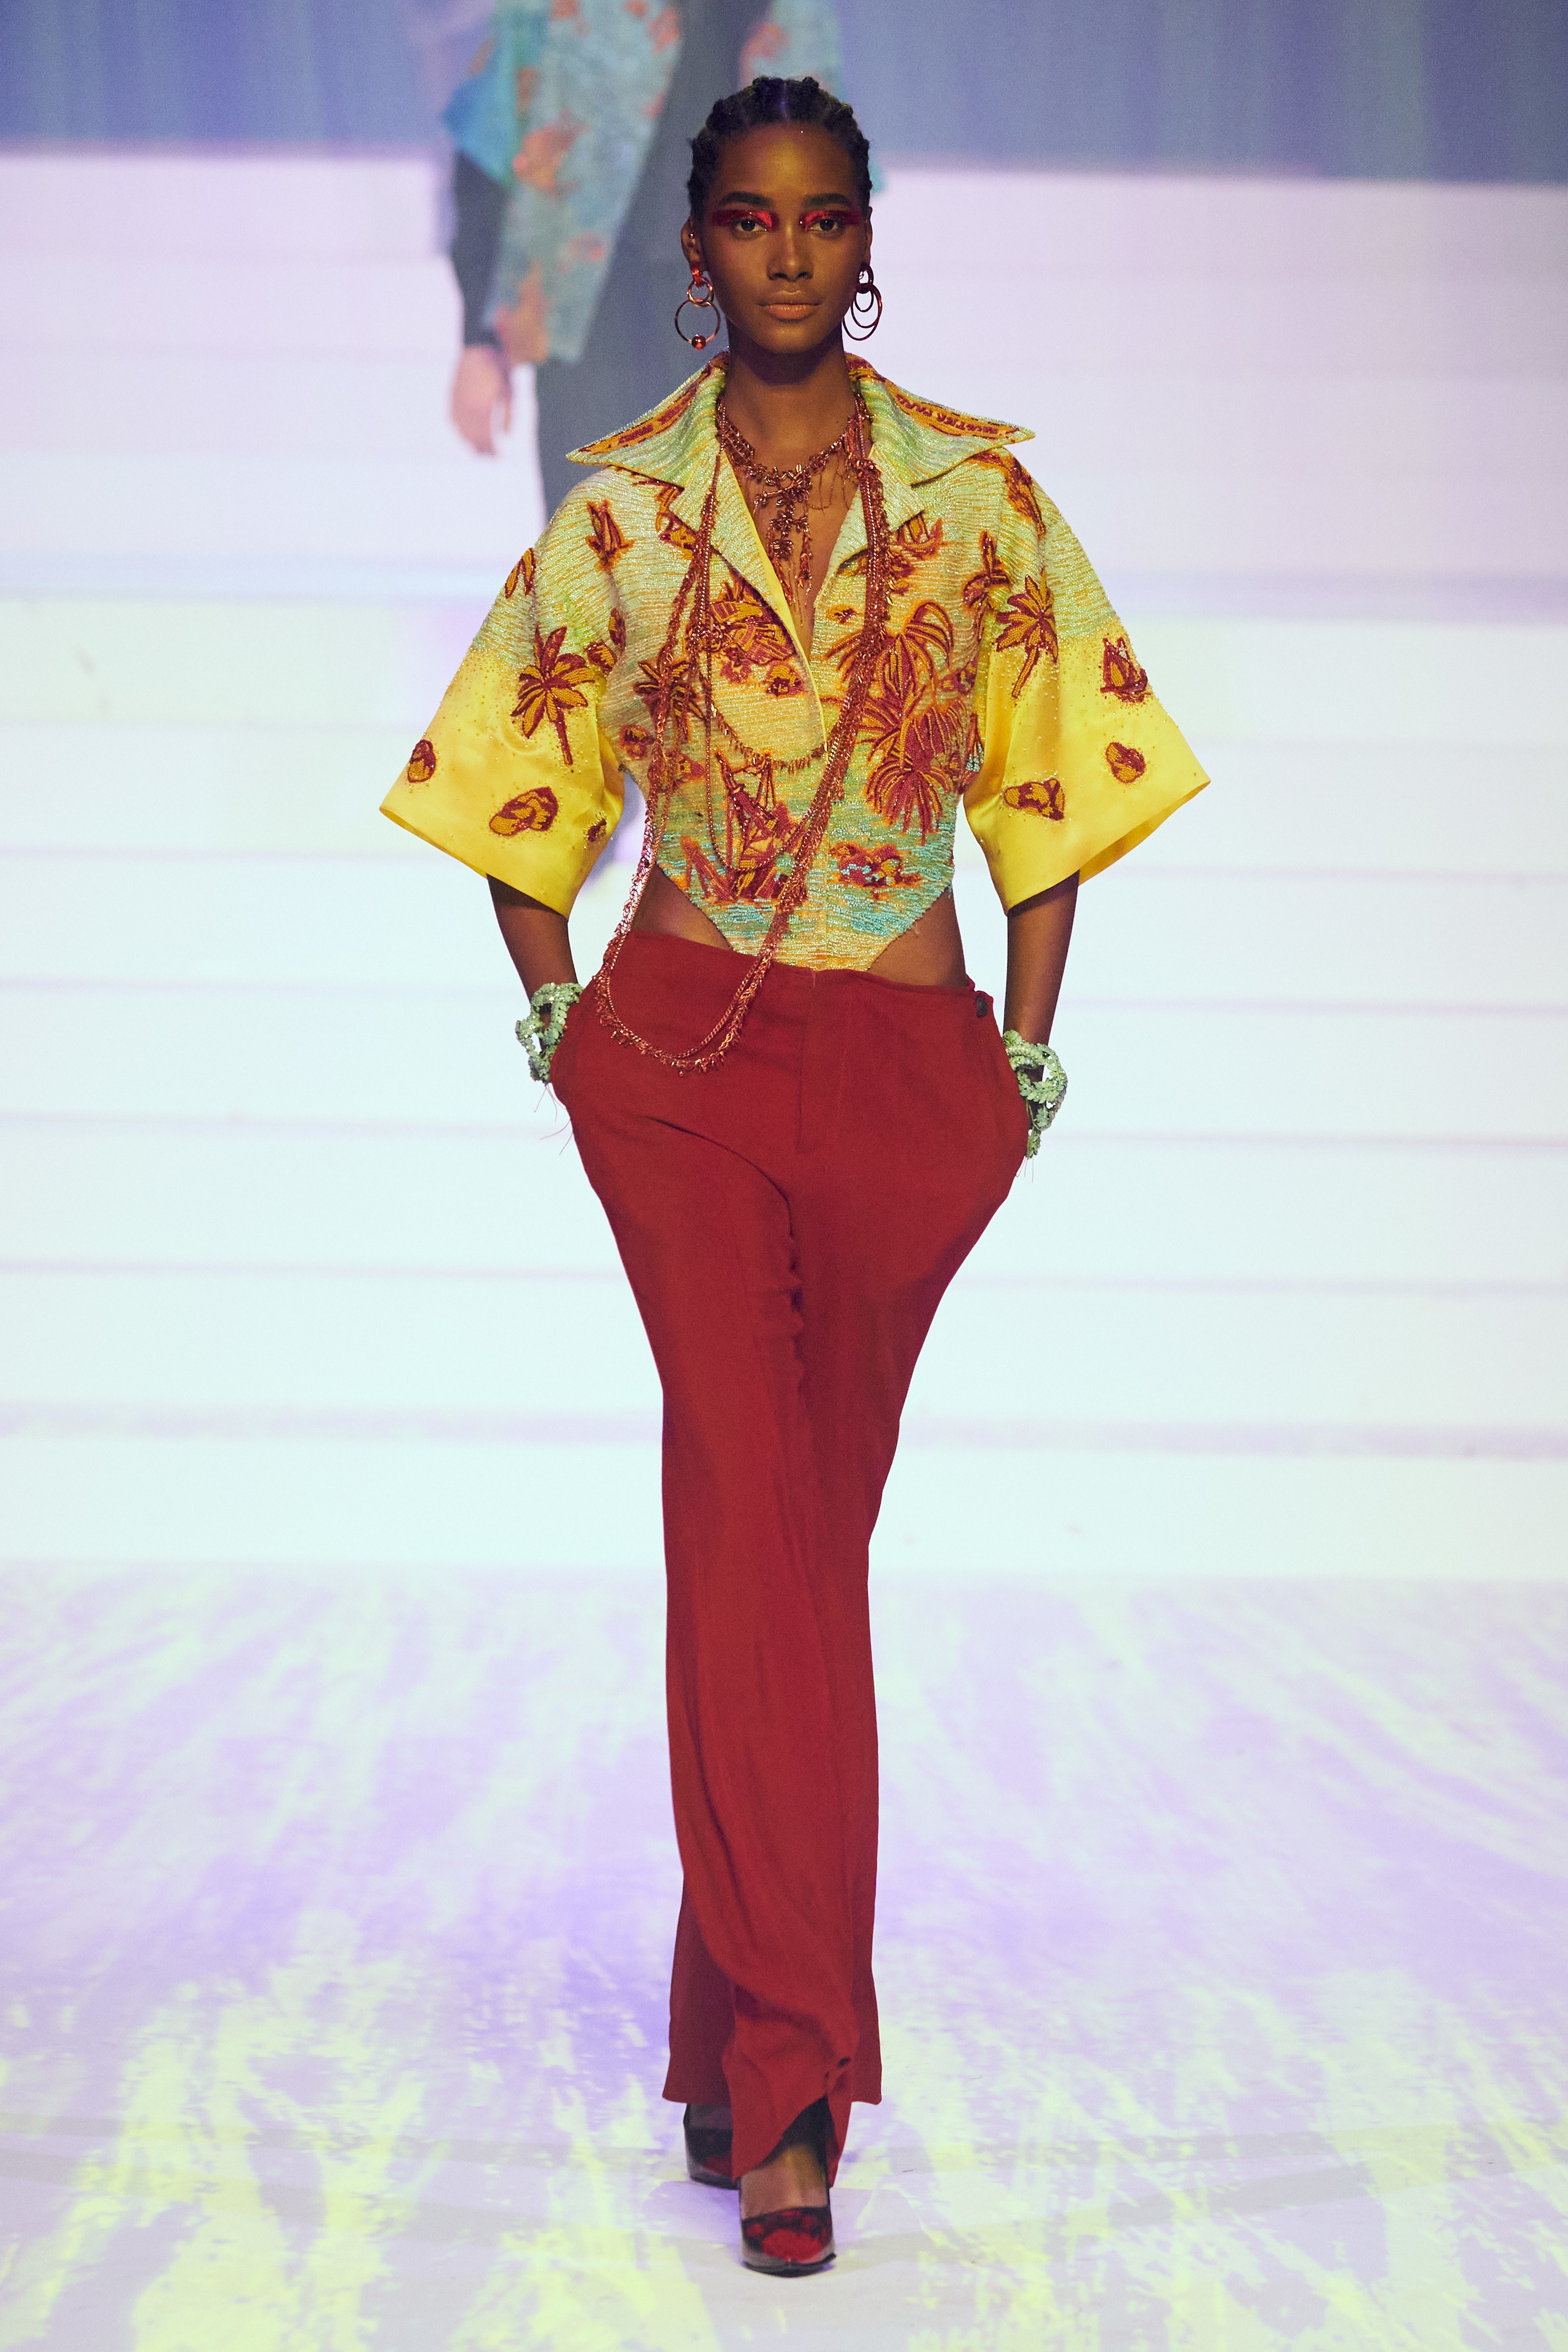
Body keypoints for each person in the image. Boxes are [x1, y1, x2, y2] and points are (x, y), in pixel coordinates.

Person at [383, 75, 1208, 2276]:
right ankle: (792, 2084)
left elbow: (1057, 786)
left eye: (822, 217)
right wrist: (562, 1023)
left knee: (782, 1551)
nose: (785, 254)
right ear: (693, 249)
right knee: (761, 1520)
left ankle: (712, 2018)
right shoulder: (623, 512)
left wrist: (1019, 1053)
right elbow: (511, 785)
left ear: (866, 240)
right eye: (748, 220)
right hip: (675, 1064)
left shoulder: (978, 502)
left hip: (908, 1072)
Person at [444, 0, 841, 515]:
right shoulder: (550, 10)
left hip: (739, 325)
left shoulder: (789, 14)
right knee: (595, 540)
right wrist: (480, 341)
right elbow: (487, 153)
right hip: (592, 320)